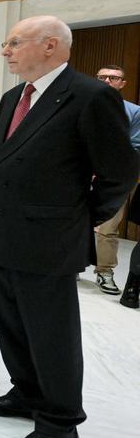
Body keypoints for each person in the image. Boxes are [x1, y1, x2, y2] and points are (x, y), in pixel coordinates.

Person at [0, 16, 136, 438]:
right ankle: (26, 393)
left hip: (48, 240)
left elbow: (120, 172)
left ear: (49, 46)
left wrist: (78, 218)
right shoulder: (10, 97)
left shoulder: (91, 96)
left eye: (13, 43)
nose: (5, 51)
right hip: (1, 235)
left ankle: (61, 422)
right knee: (11, 325)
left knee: (51, 334)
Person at [92, 64, 140, 294]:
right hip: (76, 174)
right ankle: (67, 266)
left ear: (123, 83)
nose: (108, 81)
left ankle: (105, 271)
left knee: (108, 227)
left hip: (112, 178)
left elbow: (135, 146)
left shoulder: (134, 111)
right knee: (69, 221)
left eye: (114, 78)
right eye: (102, 77)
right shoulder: (79, 106)